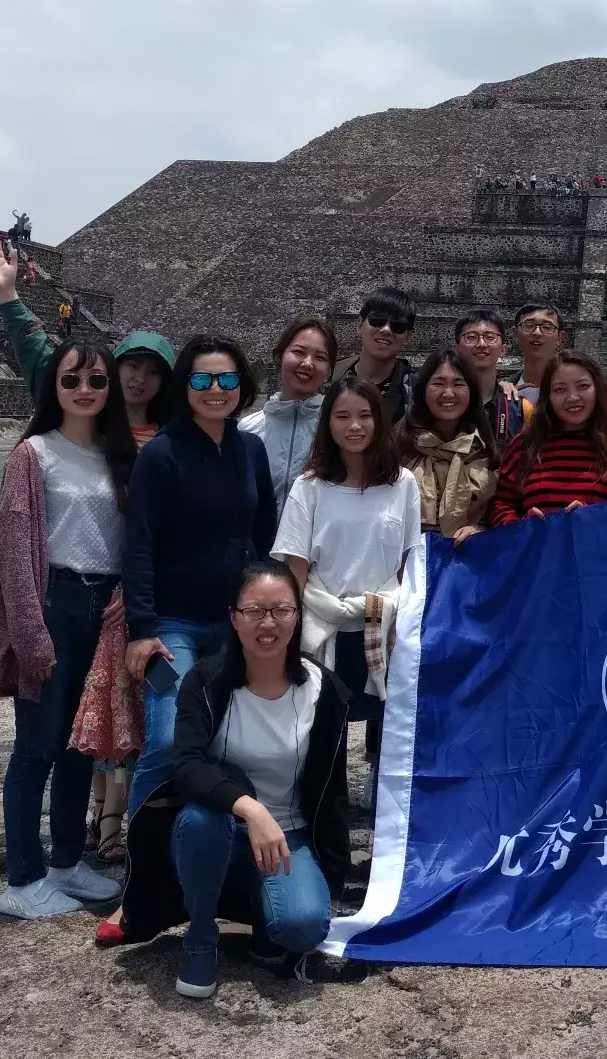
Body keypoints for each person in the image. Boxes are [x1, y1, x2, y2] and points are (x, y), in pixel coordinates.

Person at [116, 562, 351, 997]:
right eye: (254, 611)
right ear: (233, 618)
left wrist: (332, 881)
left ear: (298, 615)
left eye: (281, 610)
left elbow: (334, 792)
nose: (268, 623)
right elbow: (186, 766)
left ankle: (264, 919)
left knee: (303, 928)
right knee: (202, 820)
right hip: (217, 830)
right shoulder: (204, 681)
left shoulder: (326, 690)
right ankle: (202, 936)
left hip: (289, 838)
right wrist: (250, 806)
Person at [0, 342, 138, 919]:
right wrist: (29, 631)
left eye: (97, 379)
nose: (85, 389)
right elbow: (13, 552)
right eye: (72, 379)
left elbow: (131, 539)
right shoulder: (32, 453)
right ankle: (22, 877)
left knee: (79, 745)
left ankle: (68, 861)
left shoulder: (118, 454)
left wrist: (125, 595)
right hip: (53, 601)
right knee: (36, 747)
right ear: (55, 387)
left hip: (104, 606)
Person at [119, 336, 276, 824]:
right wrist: (142, 629)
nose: (215, 389)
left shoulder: (250, 449)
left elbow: (264, 532)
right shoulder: (161, 454)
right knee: (168, 738)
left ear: (241, 385)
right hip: (173, 626)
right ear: (184, 386)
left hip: (233, 624)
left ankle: (214, 844)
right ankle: (140, 868)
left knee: (229, 738)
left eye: (226, 378)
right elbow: (138, 543)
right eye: (202, 378)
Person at [272, 376, 423, 803]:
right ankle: (326, 835)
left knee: (388, 732)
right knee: (326, 732)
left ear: (379, 421)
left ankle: (384, 836)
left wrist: (403, 620)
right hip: (324, 622)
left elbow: (409, 560)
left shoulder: (403, 484)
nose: (354, 426)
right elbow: (295, 566)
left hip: (384, 620)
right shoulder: (310, 486)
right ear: (328, 424)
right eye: (342, 416)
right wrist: (288, 632)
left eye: (364, 416)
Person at [0, 233, 175, 443]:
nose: (140, 379)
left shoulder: (177, 440)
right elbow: (37, 351)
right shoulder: (85, 419)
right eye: (133, 365)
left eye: (153, 372)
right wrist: (7, 294)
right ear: (114, 368)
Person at [490, 350, 607, 525]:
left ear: (598, 389)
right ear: (548, 396)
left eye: (583, 386)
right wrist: (521, 525)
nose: (572, 397)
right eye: (560, 389)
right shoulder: (523, 445)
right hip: (536, 550)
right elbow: (501, 505)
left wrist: (592, 519)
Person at [239, 315, 337, 519]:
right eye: (299, 352)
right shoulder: (247, 430)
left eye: (320, 357)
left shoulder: (335, 429)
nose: (307, 363)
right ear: (280, 356)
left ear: (329, 371)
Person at [398, 349, 498, 542]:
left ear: (471, 392)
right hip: (408, 562)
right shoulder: (399, 447)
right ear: (423, 391)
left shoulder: (486, 451)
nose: (448, 393)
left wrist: (478, 530)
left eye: (458, 384)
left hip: (467, 561)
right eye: (438, 383)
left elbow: (501, 512)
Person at [333, 289, 417, 423]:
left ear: (408, 337)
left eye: (398, 325)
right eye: (377, 320)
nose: (386, 330)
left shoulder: (417, 391)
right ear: (360, 324)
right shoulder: (329, 379)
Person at [452, 309, 530, 444]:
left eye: (490, 337)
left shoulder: (521, 409)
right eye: (471, 337)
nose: (481, 344)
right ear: (456, 348)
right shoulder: (444, 402)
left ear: (503, 349)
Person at [508, 304, 566, 404]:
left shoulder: (573, 391)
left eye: (547, 327)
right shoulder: (501, 391)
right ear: (515, 333)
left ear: (560, 336)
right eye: (529, 325)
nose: (537, 333)